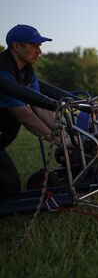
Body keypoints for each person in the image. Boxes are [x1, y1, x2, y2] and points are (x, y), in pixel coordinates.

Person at [0, 24, 58, 199]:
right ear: (17, 47)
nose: (39, 51)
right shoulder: (3, 74)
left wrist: (62, 131)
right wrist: (57, 140)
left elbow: (38, 106)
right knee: (9, 190)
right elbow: (24, 115)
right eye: (34, 45)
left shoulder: (27, 72)